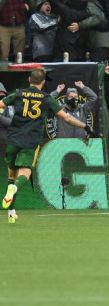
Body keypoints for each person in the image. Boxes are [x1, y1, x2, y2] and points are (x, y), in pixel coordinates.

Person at [1, 69, 95, 224]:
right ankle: (13, 192)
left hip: (12, 139)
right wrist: (85, 126)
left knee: (12, 176)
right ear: (43, 82)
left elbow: (1, 104)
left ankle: (11, 211)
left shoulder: (18, 93)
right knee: (24, 172)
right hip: (30, 141)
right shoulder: (46, 99)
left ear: (29, 79)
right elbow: (66, 117)